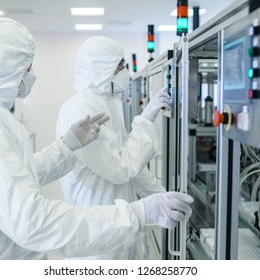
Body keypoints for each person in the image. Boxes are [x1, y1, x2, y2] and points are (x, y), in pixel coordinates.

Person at [0, 17, 193, 260]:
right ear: (4, 68)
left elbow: (21, 173)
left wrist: (67, 146)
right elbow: (29, 220)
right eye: (27, 68)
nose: (32, 75)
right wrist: (136, 214)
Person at [56, 36, 173, 260]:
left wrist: (161, 196)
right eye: (121, 66)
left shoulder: (107, 103)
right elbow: (121, 168)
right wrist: (146, 119)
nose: (125, 71)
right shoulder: (81, 108)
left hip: (116, 219)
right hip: (97, 224)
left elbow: (131, 161)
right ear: (103, 68)